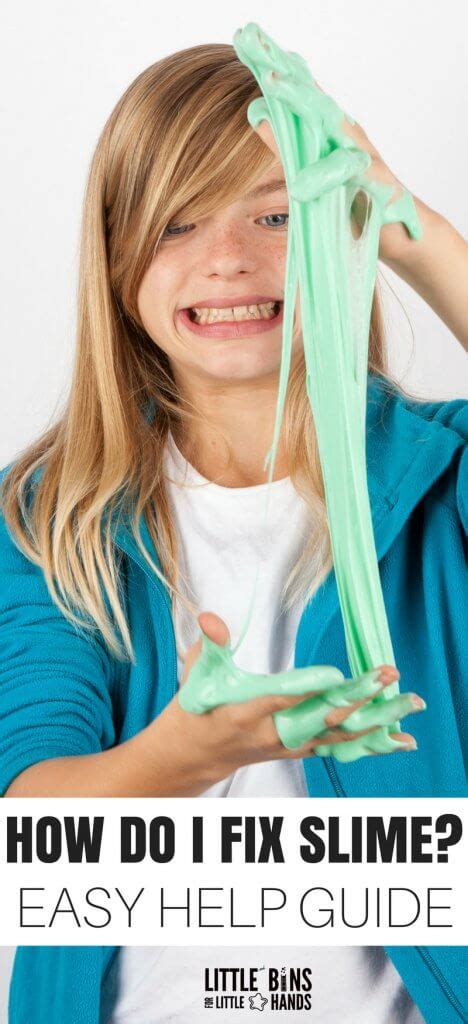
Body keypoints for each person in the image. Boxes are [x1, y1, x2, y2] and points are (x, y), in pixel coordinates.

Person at [0, 40, 466, 1024]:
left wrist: (415, 230)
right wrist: (180, 759)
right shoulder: (47, 517)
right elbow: (29, 815)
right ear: (119, 257)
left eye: (276, 213)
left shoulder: (444, 481)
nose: (229, 259)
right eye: (177, 221)